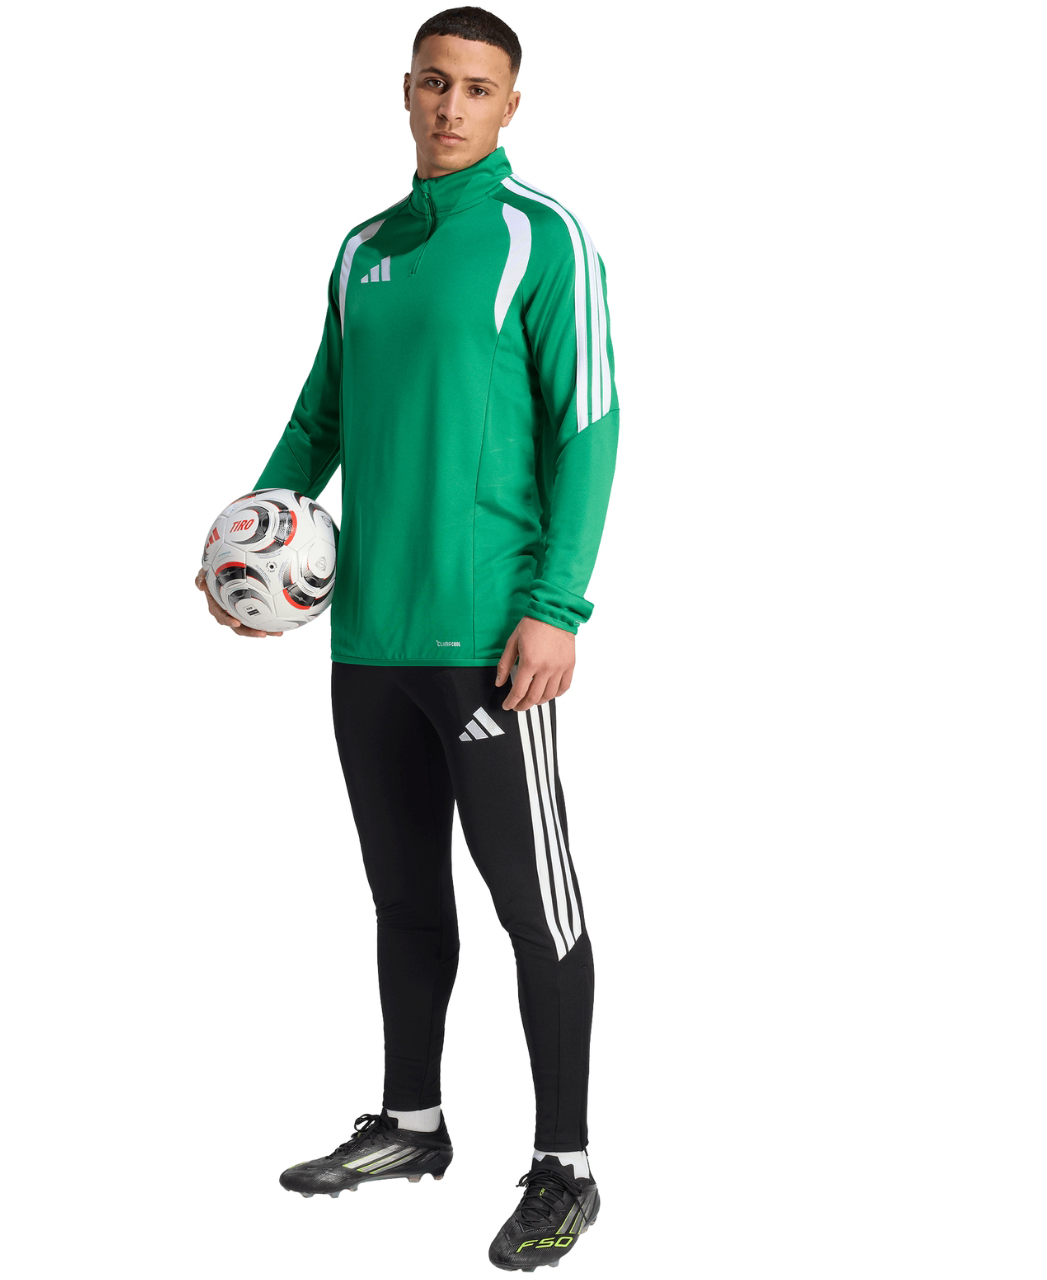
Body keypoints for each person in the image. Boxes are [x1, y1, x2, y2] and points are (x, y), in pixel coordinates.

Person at [196, 7, 617, 1270]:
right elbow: (318, 414)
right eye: (434, 82)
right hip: (367, 638)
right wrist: (247, 544)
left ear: (509, 106)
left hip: (487, 636)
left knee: (532, 900)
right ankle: (412, 1121)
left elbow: (588, 422)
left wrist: (556, 605)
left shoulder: (538, 236)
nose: (451, 105)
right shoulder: (361, 249)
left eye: (477, 88)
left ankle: (564, 1163)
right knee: (401, 891)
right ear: (405, 90)